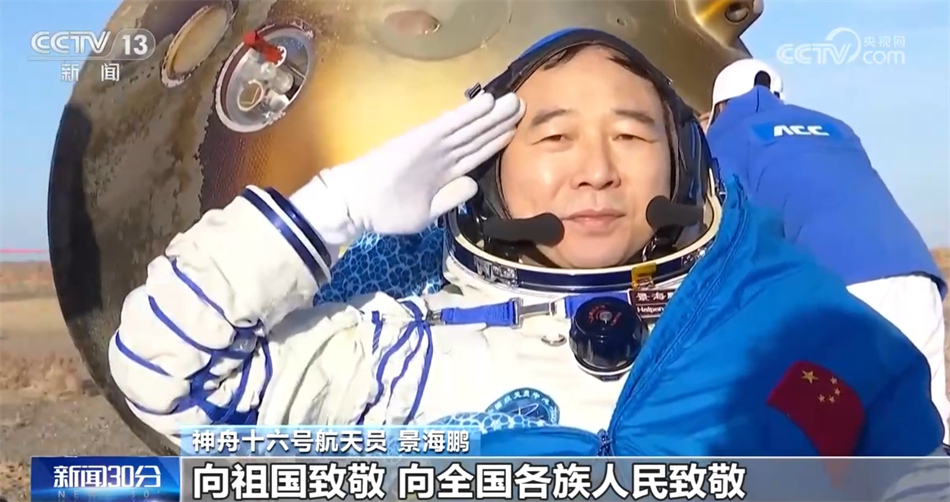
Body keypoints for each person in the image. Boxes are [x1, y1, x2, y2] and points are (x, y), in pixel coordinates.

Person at [108, 28, 946, 472]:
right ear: (488, 171)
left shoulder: (797, 330)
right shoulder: (402, 355)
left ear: (685, 166)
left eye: (631, 134)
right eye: (553, 137)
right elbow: (164, 378)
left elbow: (908, 470)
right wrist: (337, 207)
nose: (596, 170)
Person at [705, 58, 950, 441]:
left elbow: (723, 229)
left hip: (837, 288)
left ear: (720, 106)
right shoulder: (835, 127)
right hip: (914, 273)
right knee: (929, 427)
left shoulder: (724, 138)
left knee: (821, 436)